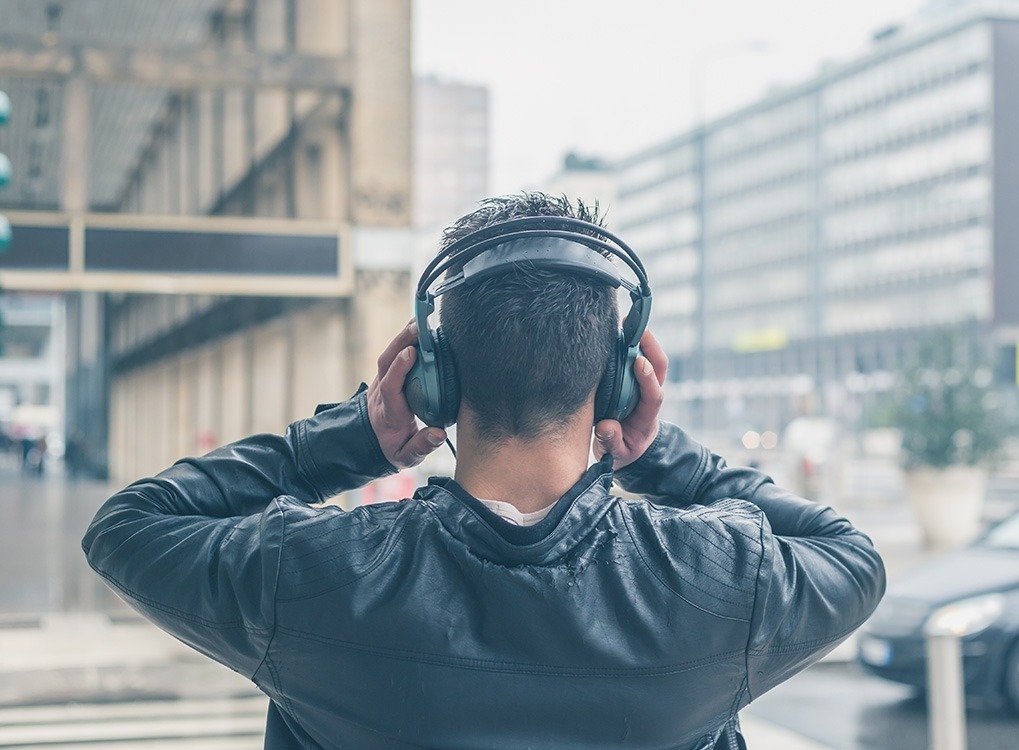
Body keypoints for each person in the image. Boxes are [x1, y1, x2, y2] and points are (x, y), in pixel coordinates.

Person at [83, 194, 885, 749]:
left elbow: (127, 528)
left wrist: (352, 439)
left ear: (437, 379)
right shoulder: (723, 581)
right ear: (616, 378)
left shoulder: (309, 575)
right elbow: (854, 557)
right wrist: (659, 452)